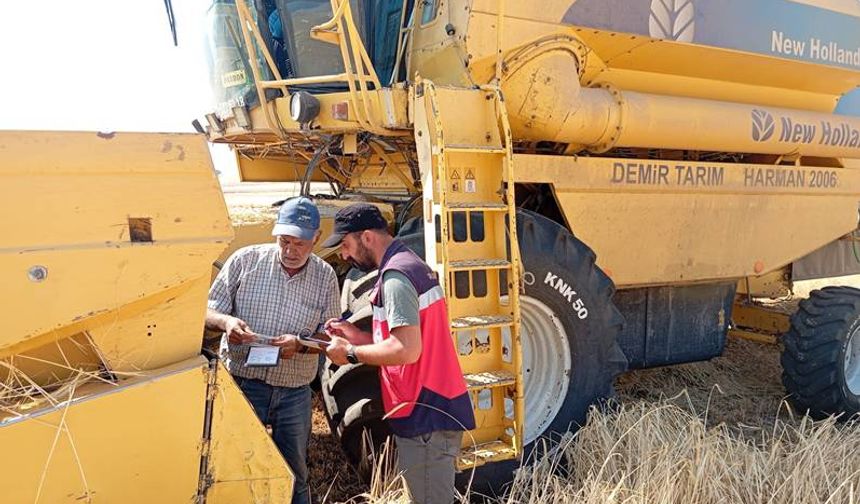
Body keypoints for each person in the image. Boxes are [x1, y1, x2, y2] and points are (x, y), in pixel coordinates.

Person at [321, 203, 475, 504]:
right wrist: (358, 336)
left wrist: (351, 353)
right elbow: (401, 339)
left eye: (346, 245)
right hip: (426, 409)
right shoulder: (404, 266)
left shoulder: (396, 278)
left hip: (426, 413)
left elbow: (406, 350)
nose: (343, 255)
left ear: (367, 237)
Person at [206, 196, 339, 504]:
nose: (290, 251)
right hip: (242, 385)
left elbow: (329, 337)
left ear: (317, 238)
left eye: (300, 244)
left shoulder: (325, 277)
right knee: (235, 465)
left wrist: (301, 345)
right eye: (284, 241)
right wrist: (227, 323)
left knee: (294, 472)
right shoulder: (244, 261)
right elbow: (208, 312)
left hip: (293, 392)